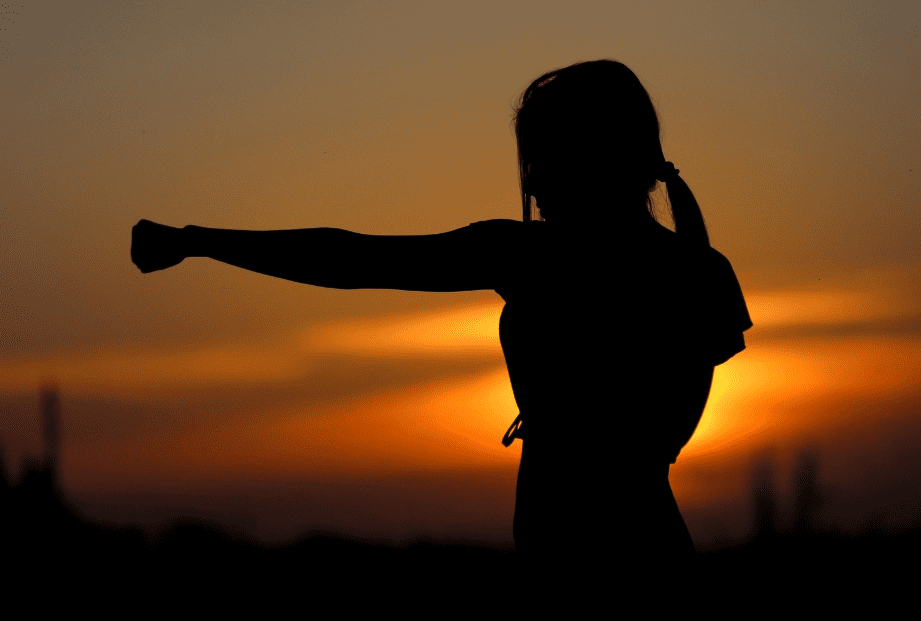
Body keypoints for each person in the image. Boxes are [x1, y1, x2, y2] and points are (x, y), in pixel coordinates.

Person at [131, 59, 752, 591]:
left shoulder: (535, 258)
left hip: (582, 568)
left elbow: (351, 259)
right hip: (647, 553)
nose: (531, 181)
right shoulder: (700, 272)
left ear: (586, 159)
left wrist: (200, 241)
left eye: (542, 158)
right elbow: (666, 426)